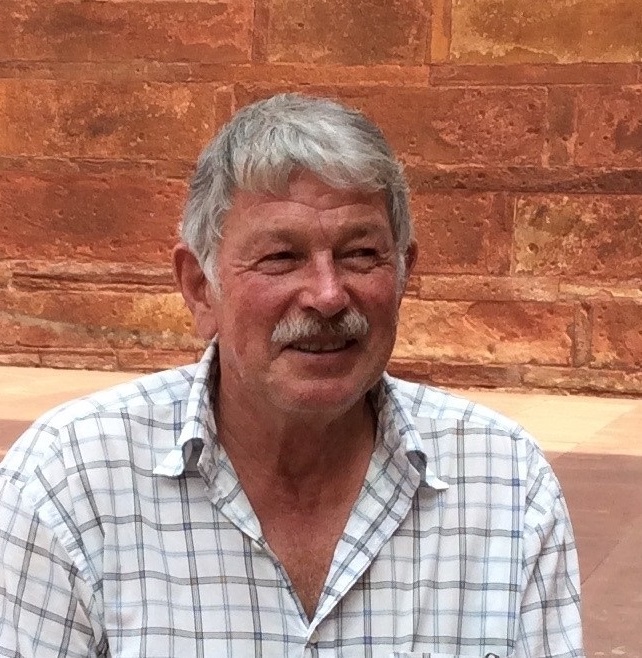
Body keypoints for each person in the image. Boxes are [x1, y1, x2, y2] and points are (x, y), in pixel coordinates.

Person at [0, 93, 583, 657]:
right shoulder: (70, 485)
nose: (328, 295)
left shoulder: (505, 487)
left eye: (360, 254)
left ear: (404, 274)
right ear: (200, 288)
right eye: (281, 257)